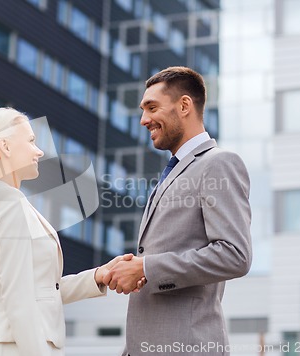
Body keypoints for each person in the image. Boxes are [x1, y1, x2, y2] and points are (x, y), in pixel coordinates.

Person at [0, 108, 134, 356]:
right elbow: (18, 298)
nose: (39, 151)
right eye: (31, 141)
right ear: (5, 147)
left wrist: (98, 276)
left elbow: (39, 290)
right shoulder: (8, 203)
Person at [103, 67, 253, 356]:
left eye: (152, 107)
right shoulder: (173, 172)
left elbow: (235, 255)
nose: (144, 120)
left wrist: (146, 267)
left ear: (184, 105)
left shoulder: (218, 164)